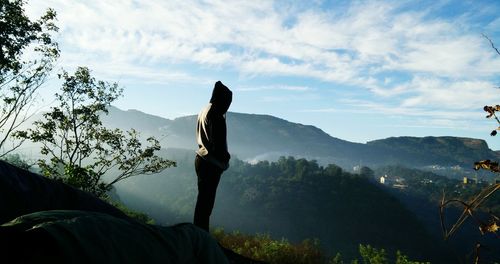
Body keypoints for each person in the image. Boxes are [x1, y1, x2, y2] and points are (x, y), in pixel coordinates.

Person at [194, 81, 232, 232]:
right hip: (211, 163)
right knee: (206, 203)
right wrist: (226, 160)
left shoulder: (204, 110)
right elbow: (218, 145)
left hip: (201, 159)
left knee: (202, 200)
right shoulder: (216, 115)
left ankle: (199, 233)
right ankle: (201, 235)